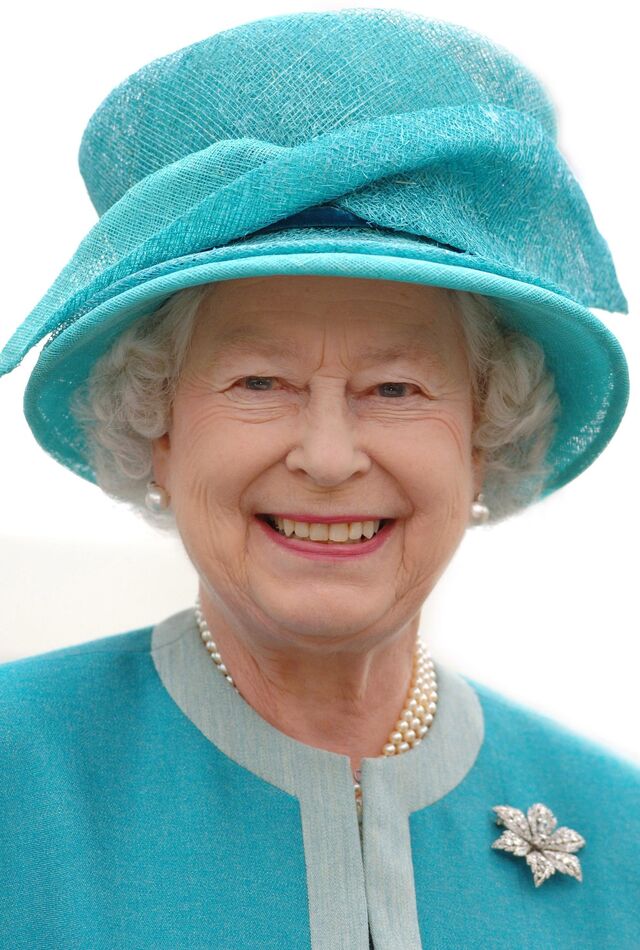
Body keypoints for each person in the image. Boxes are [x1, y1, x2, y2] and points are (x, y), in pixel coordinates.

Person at [0, 9, 638, 949]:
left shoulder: (620, 832)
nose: (331, 456)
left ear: (483, 436)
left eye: (396, 386)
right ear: (160, 429)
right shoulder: (19, 777)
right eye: (261, 382)